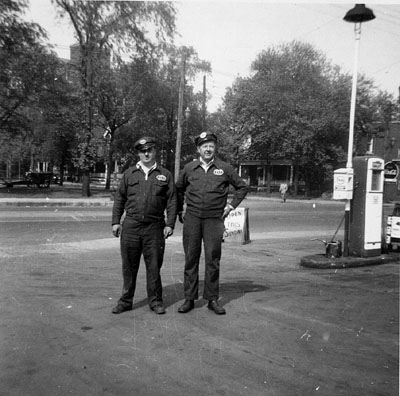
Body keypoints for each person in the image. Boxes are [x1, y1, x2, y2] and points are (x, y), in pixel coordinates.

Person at [176, 132, 247, 315]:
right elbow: (177, 189)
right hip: (192, 219)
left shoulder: (224, 168)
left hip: (214, 220)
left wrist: (231, 207)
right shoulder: (189, 168)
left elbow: (242, 187)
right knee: (191, 259)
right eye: (204, 146)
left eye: (211, 146)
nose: (208, 149)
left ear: (215, 148)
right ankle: (189, 299)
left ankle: (212, 299)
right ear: (198, 149)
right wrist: (179, 209)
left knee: (212, 260)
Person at [111, 136, 177, 315]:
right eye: (142, 151)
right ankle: (125, 301)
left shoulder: (165, 174)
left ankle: (155, 301)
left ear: (155, 151)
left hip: (155, 227)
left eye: (149, 150)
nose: (146, 154)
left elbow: (172, 201)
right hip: (131, 226)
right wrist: (116, 221)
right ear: (138, 154)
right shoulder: (129, 173)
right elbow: (120, 199)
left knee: (154, 266)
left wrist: (170, 224)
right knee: (129, 266)